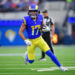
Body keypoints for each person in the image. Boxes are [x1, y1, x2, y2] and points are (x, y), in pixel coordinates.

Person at [19, 4, 68, 71]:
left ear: (37, 11)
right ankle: (27, 56)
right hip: (31, 41)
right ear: (29, 12)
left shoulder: (41, 17)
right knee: (31, 61)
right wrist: (25, 40)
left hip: (39, 39)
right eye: (31, 11)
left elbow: (42, 25)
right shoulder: (26, 19)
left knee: (50, 53)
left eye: (34, 11)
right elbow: (20, 32)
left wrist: (45, 27)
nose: (33, 12)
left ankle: (61, 67)